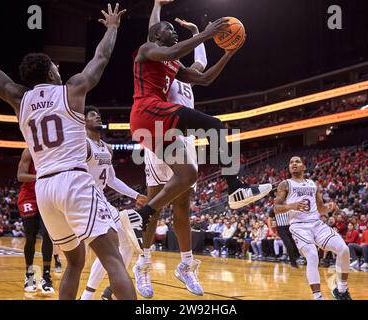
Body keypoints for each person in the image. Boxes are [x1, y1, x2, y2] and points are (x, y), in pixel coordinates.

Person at [0, 1, 136, 299]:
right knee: (112, 257)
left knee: (74, 262)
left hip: (45, 189)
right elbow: (101, 56)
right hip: (74, 180)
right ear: (49, 74)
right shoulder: (71, 90)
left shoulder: (18, 98)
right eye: (55, 67)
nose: (59, 69)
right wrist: (112, 28)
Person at [130, 2, 272, 238]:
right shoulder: (148, 49)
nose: (174, 32)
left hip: (155, 125)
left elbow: (204, 78)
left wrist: (227, 54)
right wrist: (204, 33)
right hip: (147, 112)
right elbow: (171, 50)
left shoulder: (173, 64)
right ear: (156, 34)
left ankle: (141, 216)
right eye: (169, 29)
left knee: (188, 175)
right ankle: (235, 187)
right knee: (215, 126)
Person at [131, 0, 211, 298]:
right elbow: (153, 34)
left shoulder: (181, 70)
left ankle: (186, 265)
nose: (174, 37)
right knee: (154, 207)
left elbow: (201, 67)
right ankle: (143, 265)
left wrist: (200, 32)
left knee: (182, 207)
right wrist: (156, 6)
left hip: (184, 138)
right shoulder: (163, 65)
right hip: (160, 131)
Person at [80, 106, 148, 300]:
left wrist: (136, 195)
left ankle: (108, 291)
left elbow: (111, 180)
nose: (97, 115)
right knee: (112, 247)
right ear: (83, 121)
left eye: (97, 113)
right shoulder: (81, 144)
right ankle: (89, 294)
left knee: (126, 243)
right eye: (91, 114)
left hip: (101, 200)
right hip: (85, 200)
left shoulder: (107, 148)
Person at [274, 156, 352, 300]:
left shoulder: (312, 184)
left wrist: (329, 208)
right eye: (291, 162)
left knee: (344, 249)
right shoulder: (285, 184)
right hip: (299, 226)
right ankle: (318, 297)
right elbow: (276, 208)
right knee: (312, 255)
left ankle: (341, 290)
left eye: (297, 162)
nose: (294, 164)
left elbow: (320, 208)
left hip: (316, 223)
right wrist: (291, 205)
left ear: (304, 166)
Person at [17, 148, 56, 294]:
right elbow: (20, 176)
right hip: (29, 196)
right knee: (31, 238)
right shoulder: (28, 152)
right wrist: (40, 176)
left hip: (46, 195)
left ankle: (46, 276)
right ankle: (29, 276)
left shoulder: (53, 152)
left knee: (48, 236)